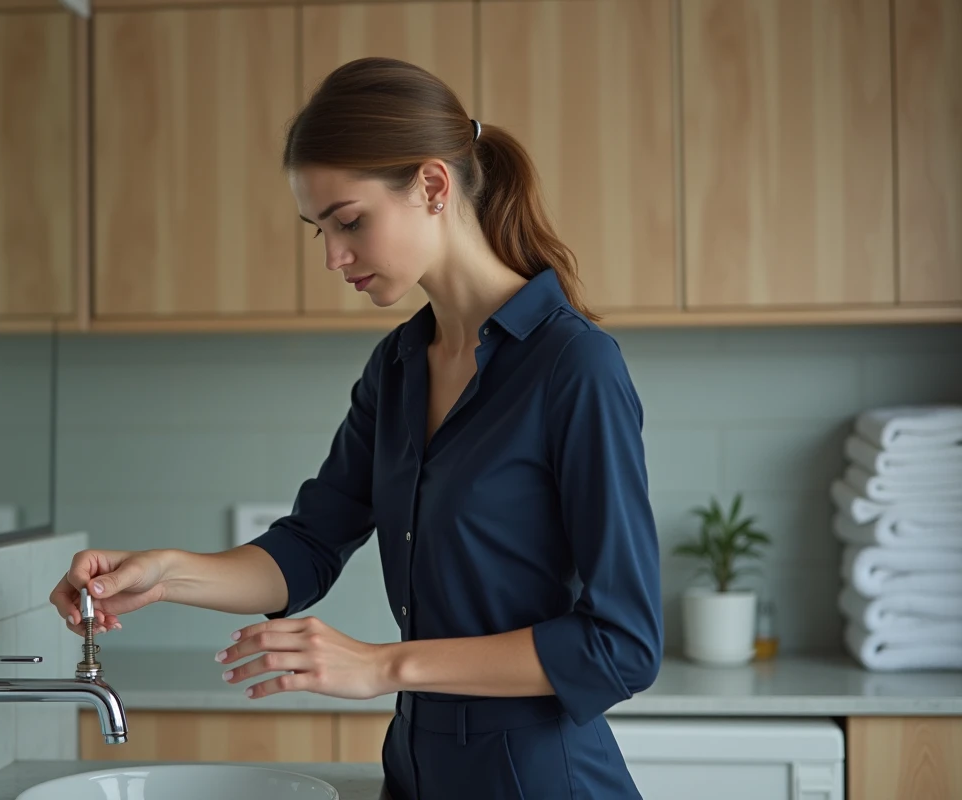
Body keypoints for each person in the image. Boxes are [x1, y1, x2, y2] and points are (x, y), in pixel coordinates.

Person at [50, 56, 663, 800]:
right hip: (414, 771)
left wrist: (381, 665)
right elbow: (307, 549)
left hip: (539, 780)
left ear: (432, 186)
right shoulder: (398, 367)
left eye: (350, 222)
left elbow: (622, 645)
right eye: (319, 231)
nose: (334, 256)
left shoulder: (573, 366)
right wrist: (163, 574)